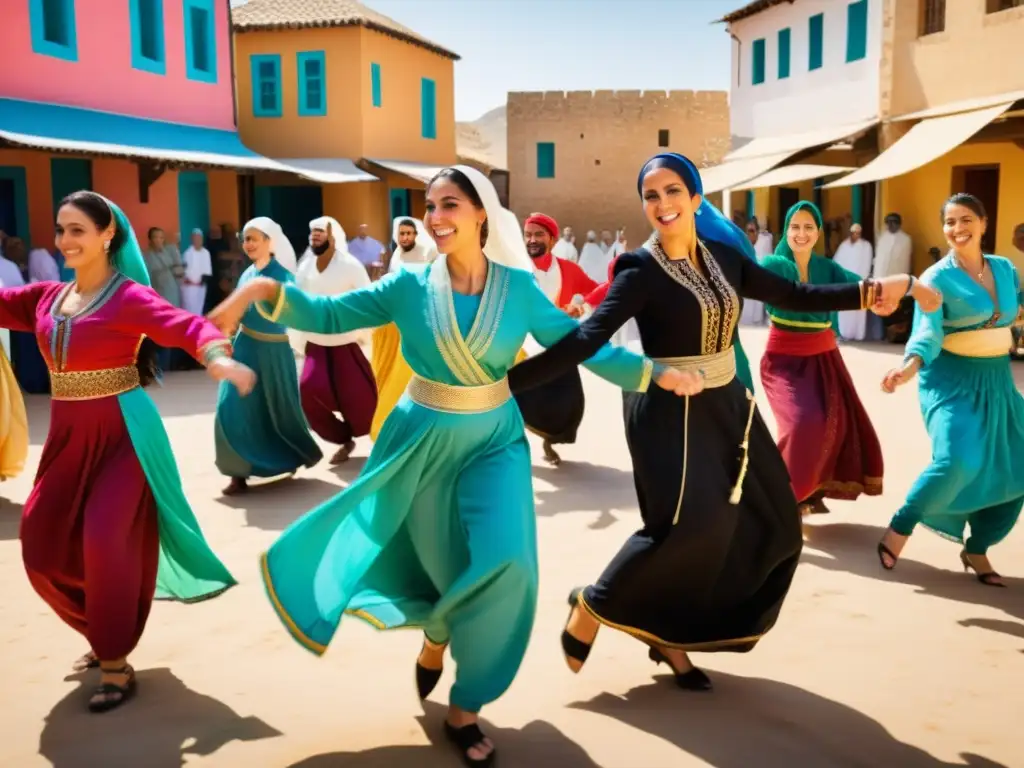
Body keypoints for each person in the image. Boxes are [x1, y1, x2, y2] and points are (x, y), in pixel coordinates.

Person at [209, 165, 692, 767]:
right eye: (429, 206)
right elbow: (334, 317)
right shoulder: (408, 286)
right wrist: (263, 292)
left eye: (449, 205)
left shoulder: (517, 289)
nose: (436, 217)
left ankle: (465, 704)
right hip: (423, 444)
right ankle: (438, 632)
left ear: (482, 213)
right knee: (443, 569)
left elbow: (577, 342)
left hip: (495, 441)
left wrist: (651, 374)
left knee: (508, 560)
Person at [506, 153, 940, 689]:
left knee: (776, 521)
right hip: (668, 412)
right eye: (651, 195)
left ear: (694, 197)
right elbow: (585, 339)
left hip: (727, 404)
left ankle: (671, 632)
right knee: (685, 530)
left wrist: (876, 290)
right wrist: (504, 386)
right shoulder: (639, 269)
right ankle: (595, 605)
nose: (662, 204)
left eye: (672, 191)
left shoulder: (723, 258)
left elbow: (796, 295)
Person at [0, 191, 252, 712]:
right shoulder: (46, 298)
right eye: (61, 229)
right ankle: (100, 627)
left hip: (122, 437)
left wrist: (216, 357)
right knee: (41, 545)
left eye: (77, 231)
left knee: (107, 540)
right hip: (68, 443)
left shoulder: (127, 297)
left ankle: (113, 659)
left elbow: (186, 324)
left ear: (106, 234)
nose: (65, 240)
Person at [878, 193, 1024, 586]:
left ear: (983, 222)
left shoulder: (1006, 269)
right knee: (958, 459)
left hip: (998, 381)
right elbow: (928, 329)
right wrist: (908, 368)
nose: (957, 229)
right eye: (950, 222)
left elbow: (1018, 313)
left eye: (965, 220)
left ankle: (978, 548)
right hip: (951, 379)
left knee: (1018, 463)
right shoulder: (936, 277)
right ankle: (901, 525)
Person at [759, 201, 884, 515]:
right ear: (786, 231)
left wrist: (899, 290)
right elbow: (780, 288)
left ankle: (808, 491)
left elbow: (861, 287)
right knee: (802, 424)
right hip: (784, 360)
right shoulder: (774, 264)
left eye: (808, 227)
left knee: (834, 426)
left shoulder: (828, 268)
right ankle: (777, 499)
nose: (801, 233)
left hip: (825, 357)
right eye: (795, 227)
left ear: (817, 233)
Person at [214, 217, 322, 496]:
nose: (247, 244)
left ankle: (290, 455)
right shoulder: (247, 274)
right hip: (245, 348)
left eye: (253, 238)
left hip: (274, 353)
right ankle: (237, 472)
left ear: (269, 242)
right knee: (230, 408)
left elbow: (294, 310)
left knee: (277, 410)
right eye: (245, 238)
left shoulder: (283, 277)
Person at [515, 212, 599, 465]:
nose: (532, 240)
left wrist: (580, 307)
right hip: (520, 348)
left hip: (556, 348)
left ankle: (549, 442)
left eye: (538, 234)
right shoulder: (514, 268)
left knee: (564, 404)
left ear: (552, 239)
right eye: (528, 234)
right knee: (509, 400)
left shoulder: (568, 269)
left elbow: (596, 290)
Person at [294, 217, 377, 463]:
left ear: (332, 236)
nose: (315, 237)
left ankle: (382, 434)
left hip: (345, 341)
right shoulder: (305, 267)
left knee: (360, 397)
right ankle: (343, 439)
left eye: (320, 232)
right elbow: (299, 302)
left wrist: (363, 330)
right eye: (312, 233)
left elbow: (365, 298)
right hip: (316, 342)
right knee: (308, 392)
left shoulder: (350, 265)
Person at [370, 217, 438, 441]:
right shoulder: (397, 255)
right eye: (402, 234)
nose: (406, 237)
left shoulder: (428, 253)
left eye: (409, 233)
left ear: (416, 234)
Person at [833, 223, 874, 341]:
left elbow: (867, 264)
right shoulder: (844, 245)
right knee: (844, 310)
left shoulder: (866, 246)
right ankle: (844, 334)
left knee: (858, 309)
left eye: (857, 233)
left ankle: (858, 335)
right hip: (844, 282)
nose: (855, 235)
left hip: (859, 281)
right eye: (853, 233)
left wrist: (863, 279)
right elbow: (836, 262)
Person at [181, 228, 213, 316]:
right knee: (189, 309)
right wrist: (191, 281)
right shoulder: (187, 253)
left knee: (199, 309)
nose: (197, 240)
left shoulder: (206, 253)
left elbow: (207, 270)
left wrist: (201, 282)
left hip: (201, 286)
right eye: (195, 238)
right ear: (192, 239)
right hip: (189, 287)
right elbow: (184, 270)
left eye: (199, 238)